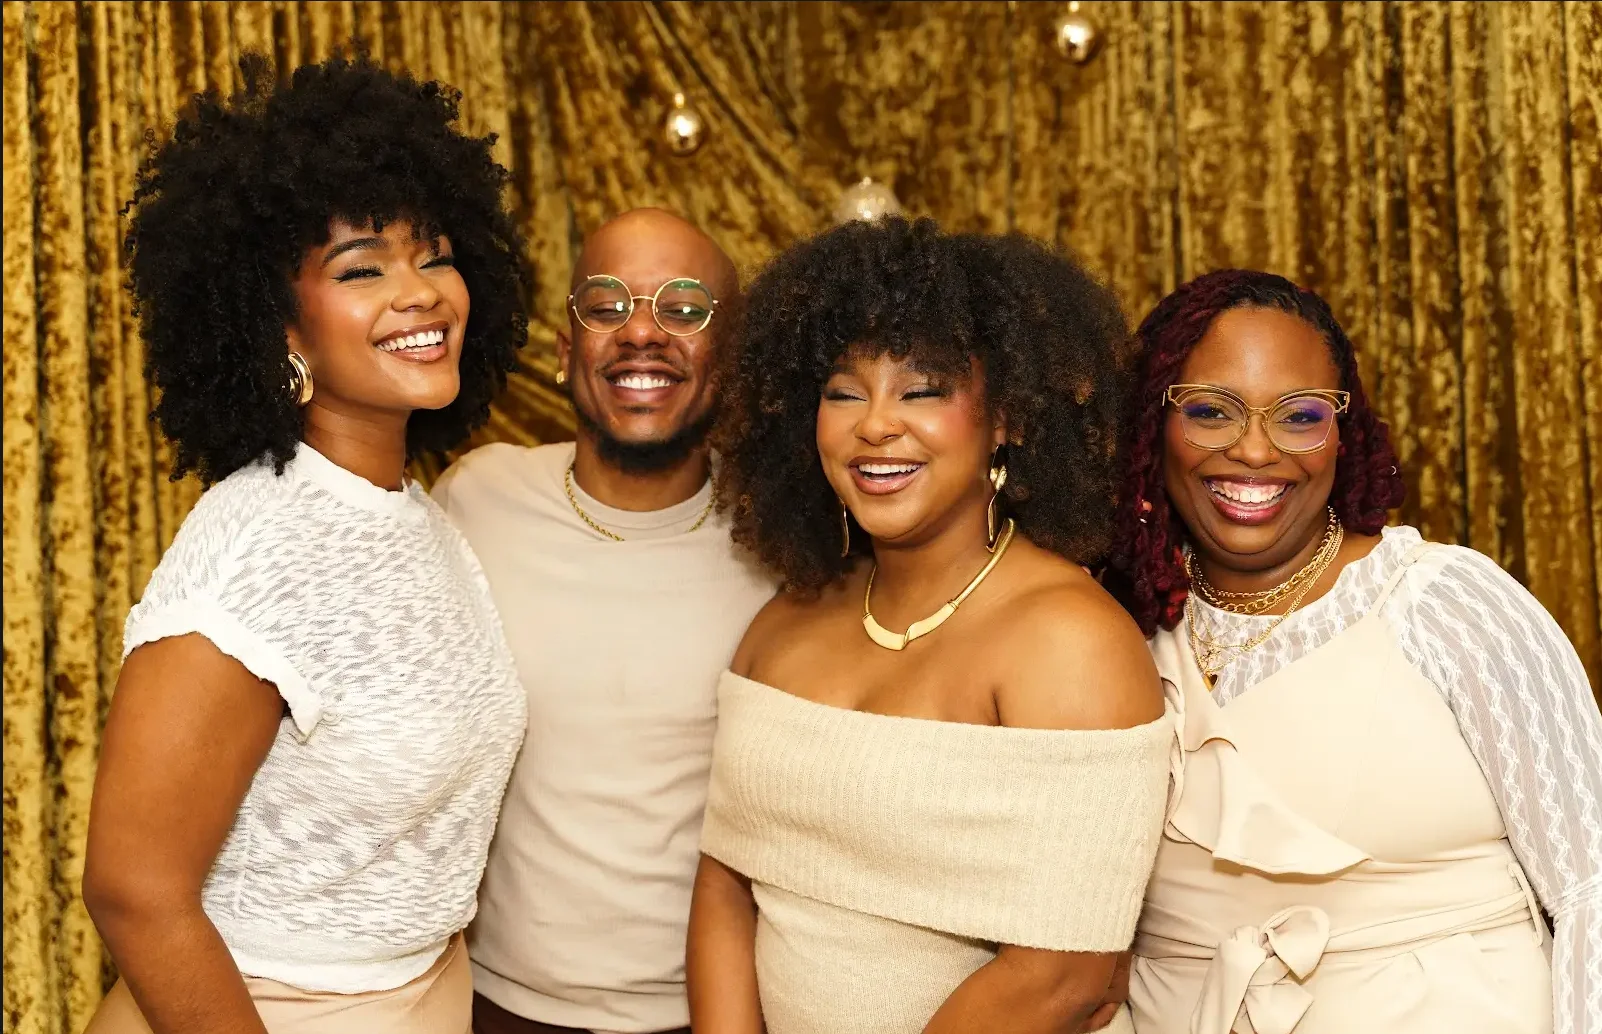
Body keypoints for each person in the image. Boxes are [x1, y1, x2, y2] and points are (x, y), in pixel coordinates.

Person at [81, 53, 530, 1034]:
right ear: (276, 324)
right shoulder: (257, 545)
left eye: (436, 253)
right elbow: (131, 886)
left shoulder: (419, 516)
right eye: (361, 267)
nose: (419, 293)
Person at [686, 217, 1174, 1034]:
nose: (876, 424)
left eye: (921, 390)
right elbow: (726, 887)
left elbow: (1066, 977)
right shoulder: (782, 624)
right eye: (844, 391)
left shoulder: (1070, 639)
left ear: (1008, 417)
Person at [1104, 269, 1602, 1034]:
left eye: (1299, 415)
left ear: (1343, 434)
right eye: (1210, 410)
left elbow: (1589, 889)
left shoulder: (1444, 603)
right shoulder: (1110, 629)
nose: (1255, 450)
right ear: (1151, 426)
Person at [431, 208, 775, 1034]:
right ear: (564, 351)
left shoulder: (783, 539)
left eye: (685, 308)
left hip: (713, 1014)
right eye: (607, 304)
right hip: (489, 1008)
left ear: (729, 362)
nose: (641, 332)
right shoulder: (475, 498)